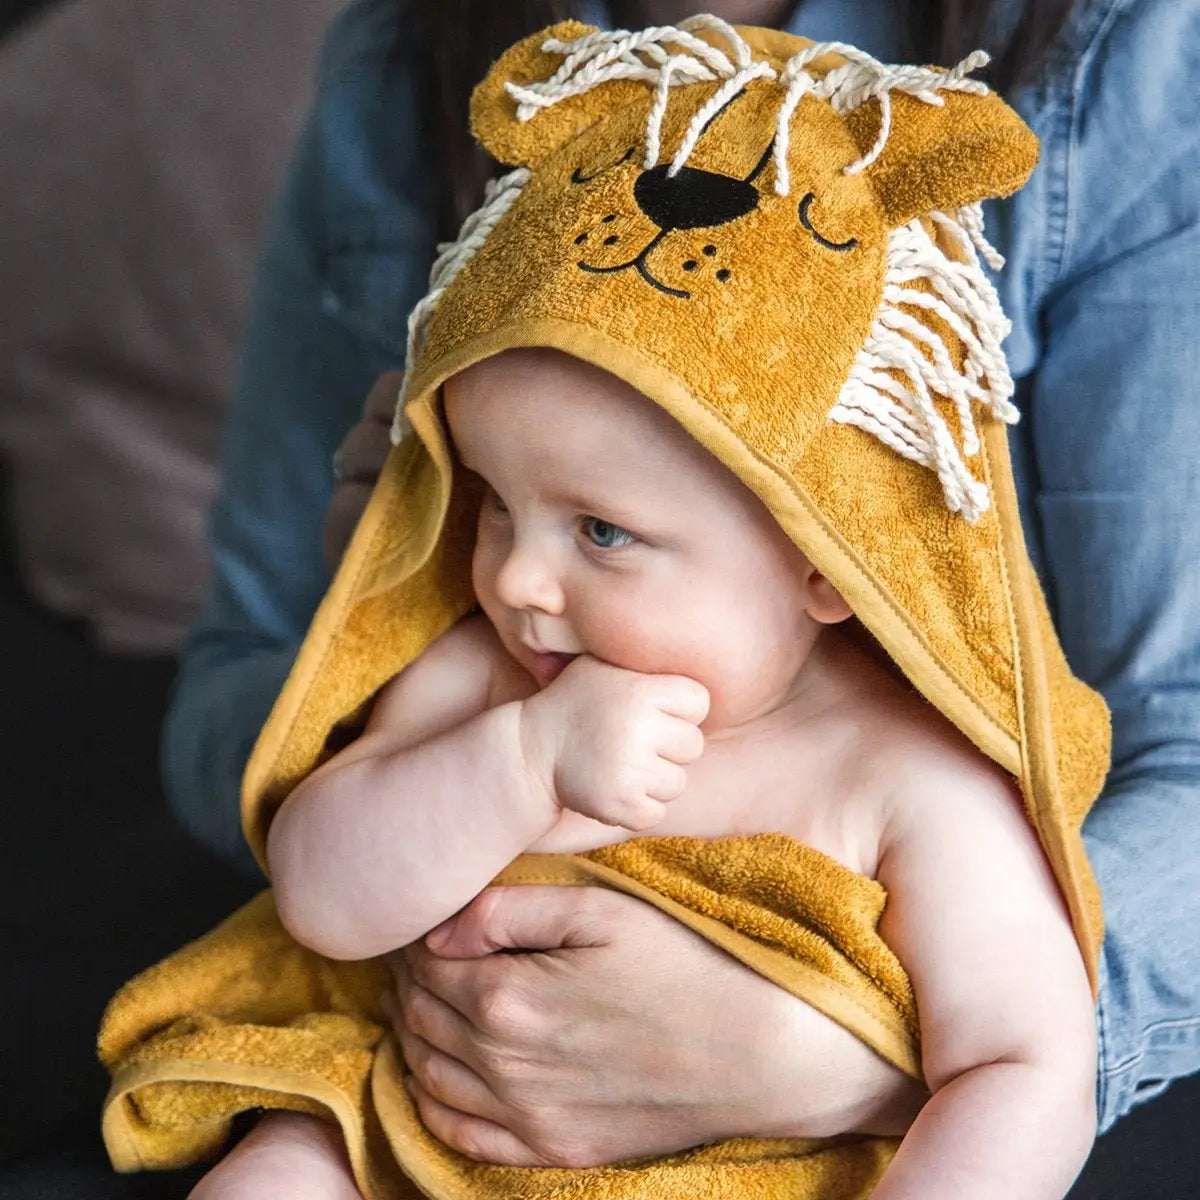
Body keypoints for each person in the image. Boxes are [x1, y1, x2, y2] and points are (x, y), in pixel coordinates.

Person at [163, 0, 1200, 1173]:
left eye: (603, 532)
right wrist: (514, 764)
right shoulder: (493, 683)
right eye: (496, 500)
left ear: (828, 561)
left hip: (754, 1164)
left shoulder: (907, 777)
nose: (514, 577)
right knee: (281, 1164)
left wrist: (835, 1057)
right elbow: (322, 897)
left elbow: (1023, 1065)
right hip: (431, 1121)